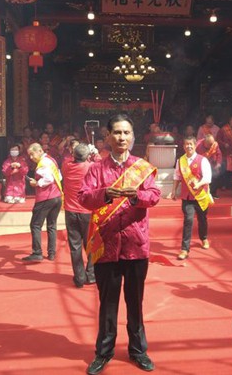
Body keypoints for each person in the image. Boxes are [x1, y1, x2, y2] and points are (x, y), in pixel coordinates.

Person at [78, 114, 160, 375]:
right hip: (107, 247)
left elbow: (154, 195)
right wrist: (105, 194)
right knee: (108, 303)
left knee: (135, 302)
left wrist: (136, 196)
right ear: (108, 137)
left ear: (132, 137)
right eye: (117, 133)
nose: (122, 138)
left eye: (126, 133)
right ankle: (104, 352)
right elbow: (83, 197)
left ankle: (138, 350)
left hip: (136, 245)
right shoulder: (97, 169)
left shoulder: (142, 167)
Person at [171, 135, 212, 260]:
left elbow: (207, 178)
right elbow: (177, 177)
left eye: (191, 144)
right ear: (183, 146)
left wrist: (198, 184)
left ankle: (204, 238)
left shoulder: (203, 160)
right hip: (187, 196)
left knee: (202, 219)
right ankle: (184, 249)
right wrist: (173, 191)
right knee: (188, 221)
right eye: (186, 144)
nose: (189, 146)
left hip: (200, 195)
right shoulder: (180, 161)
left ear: (195, 146)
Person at [61, 143, 96, 288]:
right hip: (87, 211)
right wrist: (94, 154)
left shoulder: (66, 166)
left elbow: (69, 158)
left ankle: (79, 277)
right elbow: (99, 165)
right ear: (87, 156)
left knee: (75, 245)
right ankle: (91, 274)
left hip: (70, 210)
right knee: (91, 244)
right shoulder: (91, 167)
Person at [22, 143, 63, 262]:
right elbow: (59, 177)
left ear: (39, 151)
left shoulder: (42, 163)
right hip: (57, 196)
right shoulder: (51, 160)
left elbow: (49, 179)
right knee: (51, 225)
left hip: (46, 198)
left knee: (35, 224)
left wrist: (37, 183)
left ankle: (37, 252)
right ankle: (51, 253)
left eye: (32, 154)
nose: (31, 157)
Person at [196, 133, 222, 199]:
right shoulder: (197, 145)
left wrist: (218, 163)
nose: (211, 146)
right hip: (201, 165)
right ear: (205, 142)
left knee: (216, 175)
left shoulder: (214, 144)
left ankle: (213, 193)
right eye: (209, 144)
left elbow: (219, 154)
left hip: (212, 164)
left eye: (212, 144)